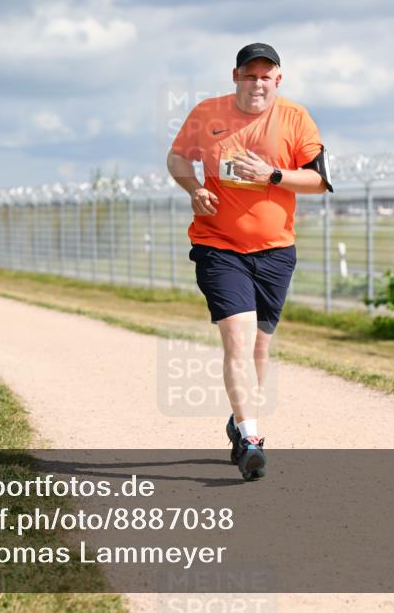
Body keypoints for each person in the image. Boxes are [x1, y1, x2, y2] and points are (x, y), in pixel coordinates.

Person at [166, 43, 331, 481]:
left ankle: (239, 421)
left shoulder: (295, 118)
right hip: (218, 245)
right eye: (250, 75)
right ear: (236, 76)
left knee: (259, 347)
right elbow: (177, 157)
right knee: (237, 339)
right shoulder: (207, 113)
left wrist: (272, 175)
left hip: (276, 250)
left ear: (278, 79)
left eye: (266, 76)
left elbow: (318, 180)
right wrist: (194, 188)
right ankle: (252, 438)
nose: (258, 84)